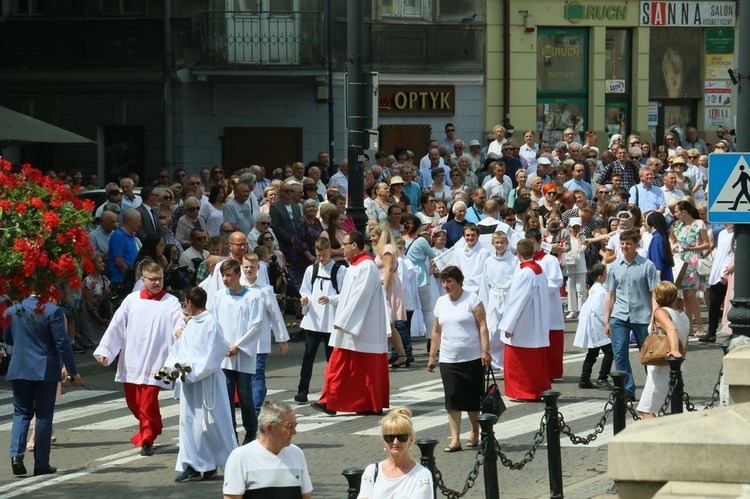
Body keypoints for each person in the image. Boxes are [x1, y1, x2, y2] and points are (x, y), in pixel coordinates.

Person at [94, 261, 183, 456]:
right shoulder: (131, 300)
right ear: (143, 280)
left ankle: (147, 439)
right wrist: (106, 351)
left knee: (148, 401)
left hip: (158, 360)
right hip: (132, 357)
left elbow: (179, 321)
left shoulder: (171, 302)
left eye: (160, 279)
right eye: (152, 279)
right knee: (133, 402)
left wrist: (179, 331)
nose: (157, 283)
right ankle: (154, 424)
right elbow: (117, 326)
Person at [312, 231, 390, 416]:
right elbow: (349, 296)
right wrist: (334, 303)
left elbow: (360, 297)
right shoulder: (356, 266)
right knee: (349, 366)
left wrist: (343, 321)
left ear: (354, 245)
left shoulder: (366, 266)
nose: (342, 248)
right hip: (353, 325)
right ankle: (349, 402)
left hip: (360, 326)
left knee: (346, 365)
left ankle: (333, 401)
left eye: (345, 244)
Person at [5, 296, 82, 476]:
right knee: (43, 416)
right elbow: (62, 343)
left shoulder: (12, 309)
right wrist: (73, 370)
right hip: (44, 369)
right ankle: (41, 463)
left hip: (20, 368)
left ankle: (16, 456)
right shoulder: (52, 310)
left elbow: (8, 338)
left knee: (21, 413)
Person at [167, 287, 237, 482]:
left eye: (184, 303)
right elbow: (179, 349)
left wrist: (193, 372)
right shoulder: (191, 324)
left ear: (190, 302)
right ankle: (195, 465)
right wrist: (172, 367)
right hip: (190, 384)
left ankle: (230, 463)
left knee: (215, 425)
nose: (184, 306)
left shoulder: (210, 323)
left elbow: (217, 352)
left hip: (208, 384)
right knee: (189, 425)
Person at [427, 266, 491, 452]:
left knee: (472, 399)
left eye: (450, 282)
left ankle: (474, 431)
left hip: (471, 358)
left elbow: (482, 326)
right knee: (452, 399)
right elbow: (436, 331)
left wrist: (485, 351)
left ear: (459, 282)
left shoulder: (472, 299)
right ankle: (455, 439)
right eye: (444, 282)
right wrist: (432, 356)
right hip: (448, 359)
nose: (446, 285)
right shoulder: (440, 302)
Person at [208, 259, 264, 445]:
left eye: (229, 275)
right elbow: (213, 323)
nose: (225, 279)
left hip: (243, 353)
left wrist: (238, 345)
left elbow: (256, 326)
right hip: (224, 354)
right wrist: (222, 345)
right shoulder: (218, 297)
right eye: (223, 275)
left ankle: (250, 429)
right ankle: (230, 431)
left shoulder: (253, 297)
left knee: (245, 394)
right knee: (226, 395)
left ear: (238, 275)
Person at [604, 228, 660, 400]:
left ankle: (654, 388)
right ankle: (627, 389)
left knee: (648, 356)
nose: (625, 246)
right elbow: (610, 295)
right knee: (619, 352)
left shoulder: (647, 265)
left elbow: (654, 293)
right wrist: (606, 320)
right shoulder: (614, 267)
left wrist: (655, 315)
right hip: (619, 315)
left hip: (643, 316)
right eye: (622, 243)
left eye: (628, 243)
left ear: (637, 244)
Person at [223, 400, 312, 499]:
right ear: (269, 427)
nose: (294, 432)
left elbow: (306, 496)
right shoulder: (240, 456)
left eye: (295, 425)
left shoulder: (296, 453)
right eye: (289, 426)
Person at [294, 238, 347, 403]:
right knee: (308, 356)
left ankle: (332, 390)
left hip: (331, 321)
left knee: (331, 359)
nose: (321, 258)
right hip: (314, 321)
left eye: (323, 255)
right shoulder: (312, 270)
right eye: (318, 255)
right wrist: (305, 300)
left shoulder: (340, 270)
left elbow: (345, 294)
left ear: (330, 251)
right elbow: (305, 290)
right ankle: (302, 390)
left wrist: (330, 299)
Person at [499, 239, 551, 401]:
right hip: (537, 321)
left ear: (517, 254)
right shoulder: (538, 269)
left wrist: (508, 325)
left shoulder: (525, 273)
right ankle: (538, 388)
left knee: (519, 362)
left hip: (524, 323)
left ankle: (523, 392)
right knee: (536, 361)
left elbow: (517, 301)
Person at [637, 281, 689, 418]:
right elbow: (686, 342)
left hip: (661, 366)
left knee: (646, 409)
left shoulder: (660, 312)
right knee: (670, 410)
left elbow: (672, 329)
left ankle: (657, 437)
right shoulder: (683, 314)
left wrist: (673, 351)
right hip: (677, 366)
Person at [357, 407, 433, 498]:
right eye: (390, 438)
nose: (395, 442)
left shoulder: (422, 475)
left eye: (402, 437)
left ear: (411, 439)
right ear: (384, 440)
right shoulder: (372, 472)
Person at [527, 228, 565, 380]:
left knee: (552, 338)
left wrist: (537, 290)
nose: (530, 247)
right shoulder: (526, 261)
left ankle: (552, 371)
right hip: (532, 305)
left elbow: (556, 281)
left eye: (532, 243)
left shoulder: (550, 259)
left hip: (549, 304)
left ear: (539, 242)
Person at [478, 231, 518, 374]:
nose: (500, 245)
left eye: (502, 243)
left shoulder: (514, 261)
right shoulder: (489, 261)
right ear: (492, 244)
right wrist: (484, 303)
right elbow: (484, 283)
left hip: (508, 296)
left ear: (507, 244)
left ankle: (506, 363)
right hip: (494, 297)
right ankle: (493, 362)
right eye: (497, 243)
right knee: (492, 330)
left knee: (507, 329)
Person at [671, 200, 710, 336]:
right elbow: (675, 243)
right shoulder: (679, 227)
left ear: (684, 211)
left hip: (693, 260)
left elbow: (707, 244)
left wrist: (692, 248)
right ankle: (689, 327)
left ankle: (699, 325)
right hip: (682, 262)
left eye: (676, 211)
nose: (675, 214)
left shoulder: (699, 224)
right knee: (684, 297)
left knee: (691, 295)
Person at [573, 264, 613, 389]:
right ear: (600, 276)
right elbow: (600, 310)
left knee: (592, 352)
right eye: (605, 273)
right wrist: (607, 322)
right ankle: (602, 377)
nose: (607, 274)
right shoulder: (600, 292)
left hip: (592, 324)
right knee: (610, 351)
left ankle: (584, 378)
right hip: (597, 325)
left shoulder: (594, 290)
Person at [644, 211, 674, 282]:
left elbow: (658, 263)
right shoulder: (661, 236)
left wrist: (656, 284)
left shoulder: (657, 238)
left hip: (661, 279)